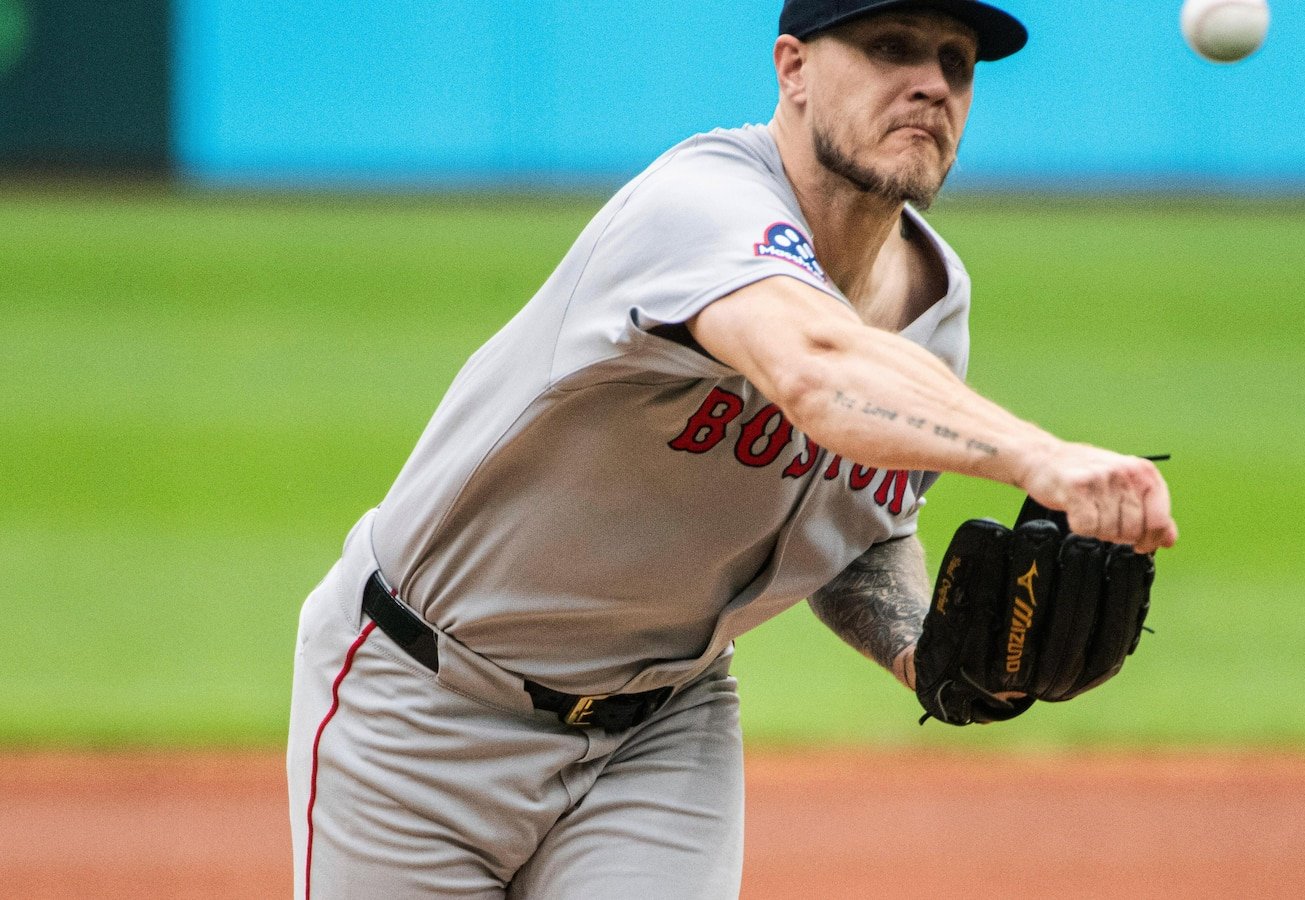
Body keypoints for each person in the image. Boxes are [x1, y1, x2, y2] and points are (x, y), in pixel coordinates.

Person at [287, 1, 1178, 897]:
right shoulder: (702, 204)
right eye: (891, 48)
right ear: (793, 69)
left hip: (662, 727)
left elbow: (857, 532)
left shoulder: (935, 304)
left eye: (957, 61)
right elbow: (816, 369)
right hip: (423, 705)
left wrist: (927, 658)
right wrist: (1035, 455)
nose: (931, 85)